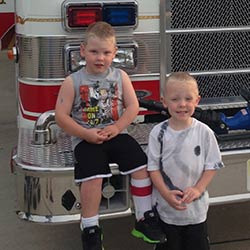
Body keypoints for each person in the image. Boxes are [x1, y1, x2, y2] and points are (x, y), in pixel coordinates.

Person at [55, 21, 165, 250]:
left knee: (142, 167)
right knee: (92, 177)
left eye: (106, 52)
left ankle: (144, 218)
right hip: (86, 138)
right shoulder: (72, 82)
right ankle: (90, 228)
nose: (100, 58)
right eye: (94, 51)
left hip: (117, 134)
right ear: (83, 50)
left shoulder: (121, 76)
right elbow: (61, 117)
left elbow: (133, 107)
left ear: (115, 53)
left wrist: (118, 127)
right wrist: (85, 133)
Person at [147, 72, 224, 250]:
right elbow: (153, 169)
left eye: (188, 99)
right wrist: (166, 194)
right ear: (164, 101)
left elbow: (212, 165)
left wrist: (198, 189)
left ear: (197, 101)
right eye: (175, 99)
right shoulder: (158, 133)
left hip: (196, 212)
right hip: (166, 210)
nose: (182, 104)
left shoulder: (204, 132)